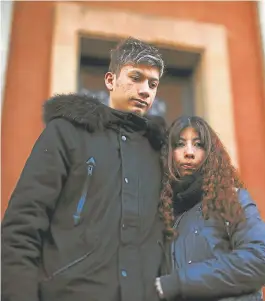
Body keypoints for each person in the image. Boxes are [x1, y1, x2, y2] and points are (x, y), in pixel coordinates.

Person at [2, 37, 166, 301]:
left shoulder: (160, 151)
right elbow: (22, 226)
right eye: (136, 77)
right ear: (110, 81)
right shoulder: (67, 134)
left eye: (153, 83)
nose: (145, 90)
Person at [154, 116, 265, 301]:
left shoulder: (231, 199)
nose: (189, 152)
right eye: (180, 144)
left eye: (198, 145)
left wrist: (176, 283)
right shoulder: (162, 214)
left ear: (211, 153)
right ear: (169, 154)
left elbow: (259, 258)